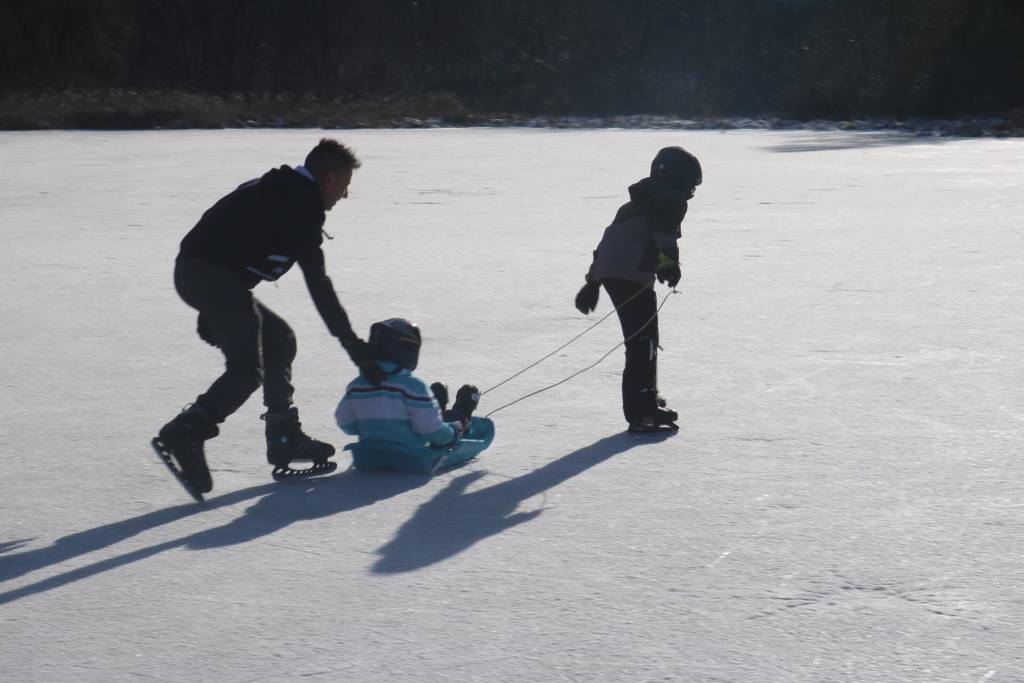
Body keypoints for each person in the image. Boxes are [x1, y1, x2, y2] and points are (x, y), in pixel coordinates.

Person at [153, 138, 382, 498]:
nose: (345, 196)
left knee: (279, 340)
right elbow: (318, 284)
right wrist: (354, 347)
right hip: (208, 275)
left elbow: (233, 230)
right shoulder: (300, 204)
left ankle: (284, 435)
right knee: (246, 370)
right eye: (345, 186)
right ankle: (187, 430)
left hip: (204, 274)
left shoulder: (281, 188)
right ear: (328, 179)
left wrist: (210, 303)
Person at [573, 146, 702, 433]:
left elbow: (608, 240)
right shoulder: (670, 199)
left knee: (644, 340)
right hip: (630, 275)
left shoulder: (638, 202)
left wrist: (592, 282)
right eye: (692, 183)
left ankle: (646, 397)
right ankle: (641, 411)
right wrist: (669, 263)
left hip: (614, 272)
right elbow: (663, 233)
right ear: (679, 179)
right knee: (643, 343)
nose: (693, 190)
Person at [335, 318, 488, 473]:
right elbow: (431, 431)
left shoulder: (356, 385)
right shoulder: (413, 387)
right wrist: (452, 433)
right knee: (448, 426)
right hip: (411, 457)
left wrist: (372, 430)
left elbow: (344, 421)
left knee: (422, 417)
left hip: (367, 456)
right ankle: (461, 415)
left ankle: (436, 411)